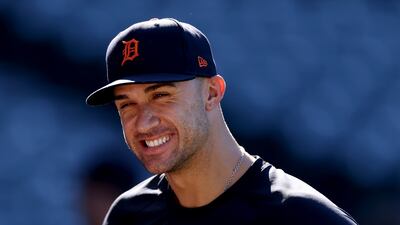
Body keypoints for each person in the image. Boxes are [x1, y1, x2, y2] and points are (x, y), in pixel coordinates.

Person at [86, 18, 358, 225]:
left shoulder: (300, 216)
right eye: (127, 104)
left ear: (212, 93)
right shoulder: (129, 215)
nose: (143, 122)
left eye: (161, 95)